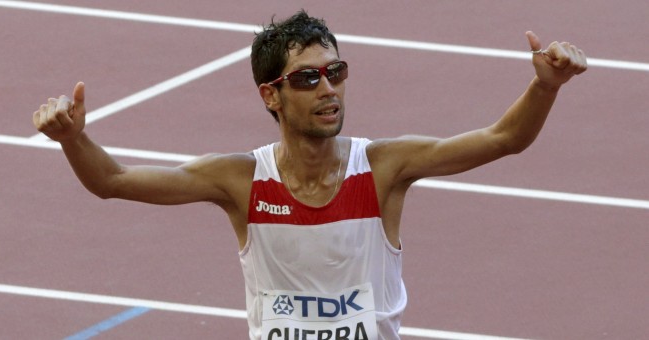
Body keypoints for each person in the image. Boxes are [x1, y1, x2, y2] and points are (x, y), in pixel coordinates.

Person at [33, 10, 587, 340]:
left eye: (335, 72)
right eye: (308, 78)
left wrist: (545, 86)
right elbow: (114, 181)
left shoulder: (385, 168)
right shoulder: (242, 181)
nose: (328, 89)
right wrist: (74, 139)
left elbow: (503, 139)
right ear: (270, 94)